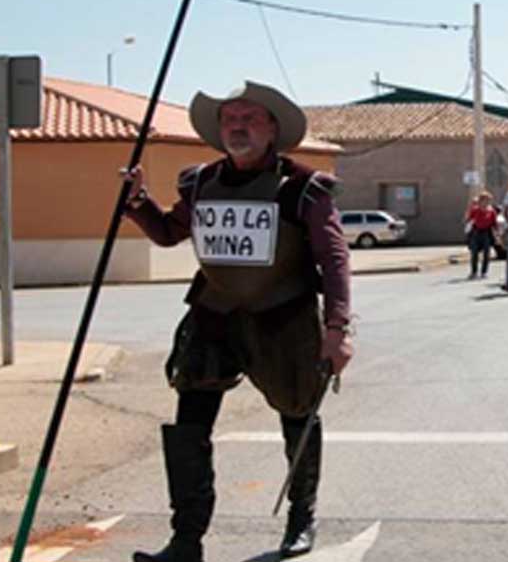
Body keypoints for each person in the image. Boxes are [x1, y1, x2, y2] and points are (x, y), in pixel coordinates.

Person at [121, 81, 353, 561]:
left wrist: (337, 329)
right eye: (230, 119)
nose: (238, 127)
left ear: (272, 128)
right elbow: (169, 233)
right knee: (189, 426)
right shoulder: (201, 182)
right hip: (214, 317)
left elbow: (333, 258)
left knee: (297, 415)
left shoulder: (303, 187)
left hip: (283, 319)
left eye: (249, 118)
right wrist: (137, 204)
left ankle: (301, 516)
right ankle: (186, 541)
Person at [466, 191, 498, 280]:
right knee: (474, 253)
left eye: (487, 200)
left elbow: (494, 223)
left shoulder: (491, 211)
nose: (485, 202)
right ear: (480, 200)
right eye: (483, 200)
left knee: (486, 253)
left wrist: (497, 235)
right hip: (476, 232)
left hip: (486, 233)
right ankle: (474, 272)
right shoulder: (475, 210)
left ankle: (484, 272)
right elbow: (468, 219)